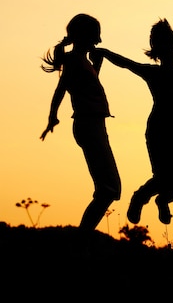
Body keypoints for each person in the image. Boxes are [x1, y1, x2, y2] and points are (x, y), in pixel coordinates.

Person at [94, 18, 173, 225]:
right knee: (163, 177)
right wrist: (105, 53)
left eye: (168, 42)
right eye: (162, 43)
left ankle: (162, 200)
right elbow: (126, 63)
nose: (167, 47)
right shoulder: (158, 72)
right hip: (160, 131)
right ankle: (140, 197)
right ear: (158, 50)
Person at [40, 13, 122, 231]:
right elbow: (62, 88)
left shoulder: (82, 61)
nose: (98, 41)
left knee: (110, 189)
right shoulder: (75, 60)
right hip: (89, 126)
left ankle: (81, 242)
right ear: (84, 35)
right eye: (95, 36)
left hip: (94, 125)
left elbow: (87, 89)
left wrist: (97, 67)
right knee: (109, 189)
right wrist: (52, 116)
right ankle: (80, 244)